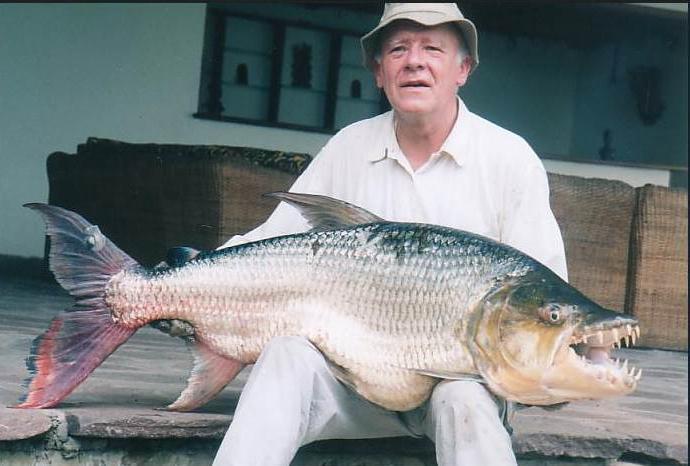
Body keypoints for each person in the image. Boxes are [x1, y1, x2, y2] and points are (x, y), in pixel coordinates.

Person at [212, 3, 568, 465]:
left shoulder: (508, 158)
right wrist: (183, 280)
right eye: (398, 49)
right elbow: (271, 244)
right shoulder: (349, 146)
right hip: (348, 382)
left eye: (432, 49)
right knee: (286, 354)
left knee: (464, 399)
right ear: (380, 72)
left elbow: (544, 299)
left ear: (463, 68)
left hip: (456, 385)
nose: (414, 61)